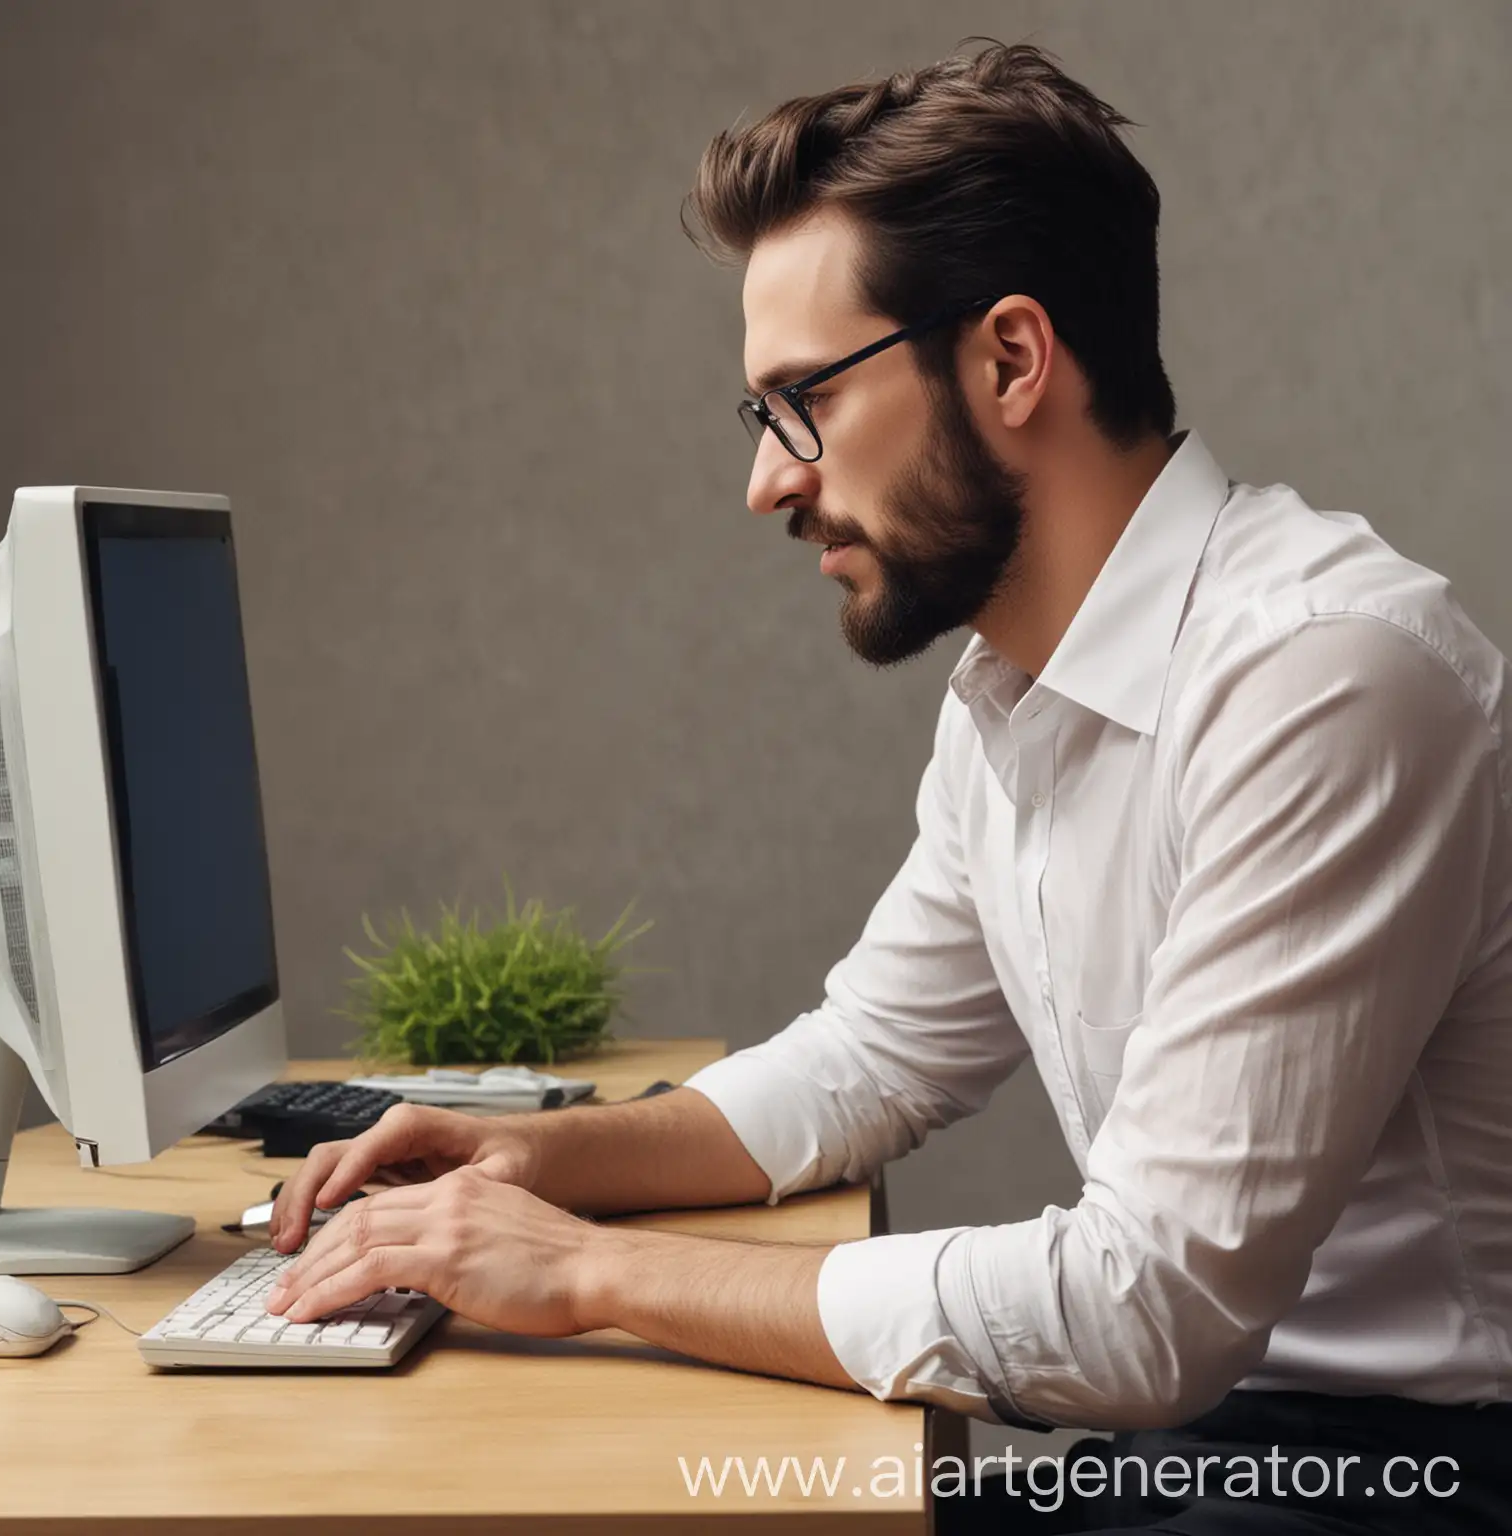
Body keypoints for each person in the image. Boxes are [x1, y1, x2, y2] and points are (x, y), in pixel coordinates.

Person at [265, 42, 1512, 1534]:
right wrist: (540, 1160)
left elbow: (1150, 1310)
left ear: (1007, 359)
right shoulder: (1012, 689)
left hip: (1417, 1473)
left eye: (805, 401)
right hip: (1218, 1445)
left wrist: (588, 1270)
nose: (770, 482)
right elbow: (872, 1059)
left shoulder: (1324, 679)